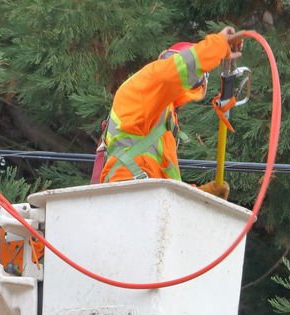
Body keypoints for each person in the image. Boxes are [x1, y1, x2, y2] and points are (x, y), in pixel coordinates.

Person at [97, 26, 251, 199]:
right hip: (128, 191)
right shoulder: (141, 86)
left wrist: (202, 196)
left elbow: (167, 184)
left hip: (146, 195)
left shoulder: (164, 119)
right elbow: (170, 74)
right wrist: (217, 45)